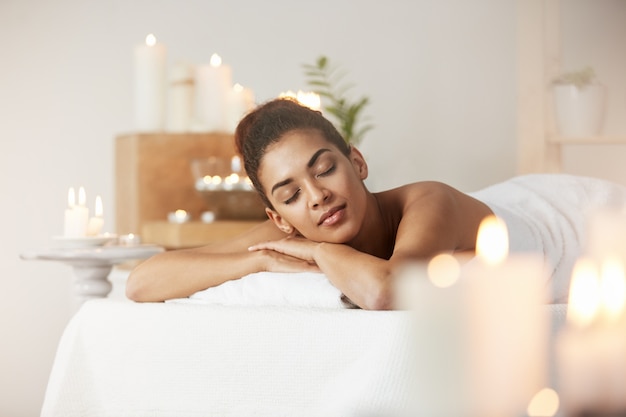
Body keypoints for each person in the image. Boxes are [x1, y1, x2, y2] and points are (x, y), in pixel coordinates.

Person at [126, 98, 626, 308]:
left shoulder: (428, 202)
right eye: (292, 193)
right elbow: (142, 281)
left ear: (357, 162)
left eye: (324, 168)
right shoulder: (292, 233)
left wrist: (318, 254)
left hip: (579, 218)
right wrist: (259, 264)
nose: (317, 195)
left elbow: (386, 293)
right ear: (279, 219)